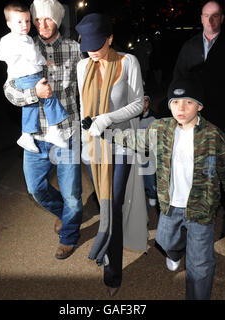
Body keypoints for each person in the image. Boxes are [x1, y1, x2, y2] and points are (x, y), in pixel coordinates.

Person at [118, 77, 225, 299]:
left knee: (200, 264)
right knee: (163, 240)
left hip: (200, 209)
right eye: (175, 102)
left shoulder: (213, 135)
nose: (181, 108)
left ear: (200, 106)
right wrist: (105, 131)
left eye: (188, 102)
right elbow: (137, 139)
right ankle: (175, 251)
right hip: (170, 205)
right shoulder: (161, 128)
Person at [3, 0, 83, 260]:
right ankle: (63, 213)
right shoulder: (23, 44)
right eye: (37, 20)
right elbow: (9, 90)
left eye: (47, 19)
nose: (41, 25)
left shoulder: (74, 49)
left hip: (66, 133)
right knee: (35, 188)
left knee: (72, 193)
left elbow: (87, 90)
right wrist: (32, 94)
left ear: (57, 20)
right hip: (36, 137)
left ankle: (69, 236)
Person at [168, 0, 225, 237]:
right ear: (201, 18)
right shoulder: (189, 47)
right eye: (206, 15)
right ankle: (195, 217)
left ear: (222, 19)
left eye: (215, 16)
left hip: (223, 120)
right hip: (195, 121)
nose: (210, 20)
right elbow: (178, 80)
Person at [76, 13, 148, 297]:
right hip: (97, 147)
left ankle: (112, 272)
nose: (92, 51)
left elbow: (138, 104)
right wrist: (85, 140)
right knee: (106, 205)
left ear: (110, 38)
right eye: (87, 45)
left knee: (113, 205)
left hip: (122, 143)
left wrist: (106, 119)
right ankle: (107, 251)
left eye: (97, 44)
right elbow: (84, 109)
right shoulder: (83, 66)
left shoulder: (129, 62)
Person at [0, 1, 69, 153]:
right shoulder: (16, 40)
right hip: (26, 77)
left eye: (27, 21)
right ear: (9, 24)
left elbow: (32, 57)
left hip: (28, 76)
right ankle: (54, 130)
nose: (24, 25)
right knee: (49, 97)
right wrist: (16, 53)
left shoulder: (26, 39)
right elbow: (2, 55)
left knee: (31, 106)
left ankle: (26, 135)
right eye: (19, 22)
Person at [139, 94, 158, 207]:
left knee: (150, 178)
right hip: (137, 154)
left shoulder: (155, 117)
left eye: (146, 101)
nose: (144, 104)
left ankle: (152, 194)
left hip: (150, 154)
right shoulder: (134, 119)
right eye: (142, 101)